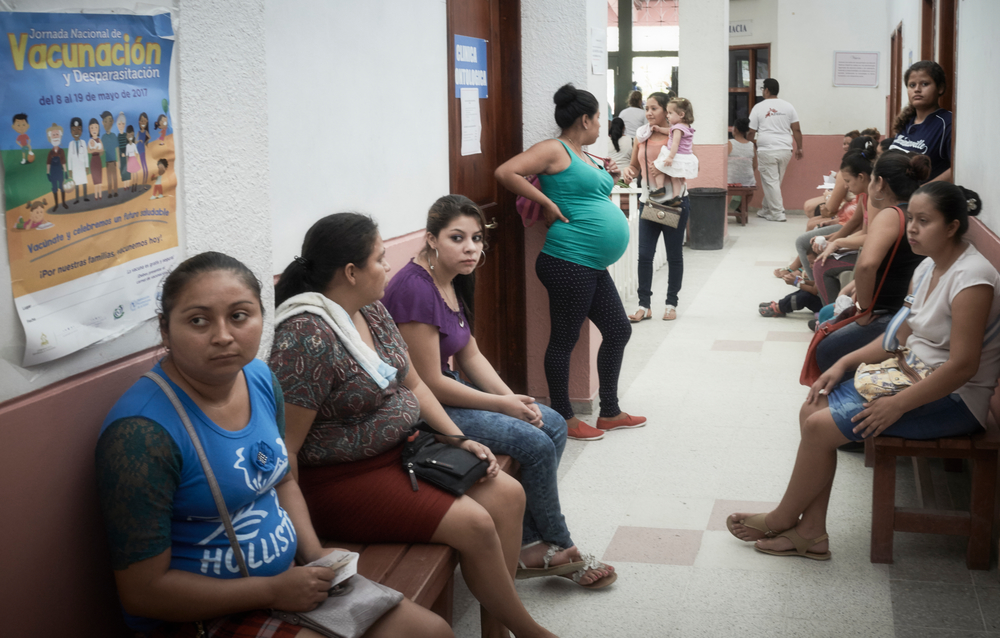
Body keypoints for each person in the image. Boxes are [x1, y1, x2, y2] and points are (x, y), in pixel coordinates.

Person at [95, 252, 451, 638]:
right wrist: (271, 590)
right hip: (201, 616)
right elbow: (143, 594)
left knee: (432, 632)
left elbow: (281, 480)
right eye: (198, 320)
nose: (223, 336)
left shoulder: (259, 378)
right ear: (165, 330)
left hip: (289, 584)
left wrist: (315, 556)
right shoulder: (141, 435)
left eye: (239, 315)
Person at [269, 213, 558, 638]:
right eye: (380, 259)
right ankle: (528, 631)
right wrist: (309, 547)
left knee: (508, 494)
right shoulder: (306, 337)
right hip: (341, 481)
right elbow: (287, 448)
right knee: (476, 524)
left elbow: (417, 384)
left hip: (404, 451)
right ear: (351, 272)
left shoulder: (371, 311)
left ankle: (495, 630)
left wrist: (457, 437)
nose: (389, 266)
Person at [729, 182, 999, 560]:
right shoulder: (926, 268)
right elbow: (897, 334)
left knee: (820, 426)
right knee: (813, 407)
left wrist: (898, 405)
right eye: (912, 220)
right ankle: (810, 532)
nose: (913, 229)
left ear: (953, 226)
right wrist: (842, 364)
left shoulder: (973, 278)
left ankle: (782, 517)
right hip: (909, 375)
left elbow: (963, 366)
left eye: (925, 221)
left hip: (953, 399)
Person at [383, 194, 617, 588]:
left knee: (553, 423)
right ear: (432, 239)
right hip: (422, 407)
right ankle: (558, 545)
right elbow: (430, 383)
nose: (471, 248)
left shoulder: (452, 277)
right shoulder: (414, 289)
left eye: (476, 239)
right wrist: (502, 405)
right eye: (457, 238)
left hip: (448, 391)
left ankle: (526, 542)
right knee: (537, 443)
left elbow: (469, 354)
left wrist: (515, 400)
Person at [495, 84, 643, 441]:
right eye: (600, 120)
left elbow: (587, 192)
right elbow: (506, 172)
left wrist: (614, 177)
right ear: (585, 119)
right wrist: (545, 203)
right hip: (567, 259)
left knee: (619, 330)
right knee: (564, 339)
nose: (603, 127)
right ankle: (563, 415)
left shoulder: (583, 154)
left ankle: (609, 411)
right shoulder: (554, 149)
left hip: (588, 263)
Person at [814, 152, 929, 374]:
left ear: (880, 183)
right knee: (829, 313)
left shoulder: (890, 215)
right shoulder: (914, 213)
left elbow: (867, 266)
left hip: (889, 314)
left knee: (825, 350)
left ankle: (842, 397)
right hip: (904, 308)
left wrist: (864, 311)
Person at [621, 91, 690, 323]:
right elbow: (633, 167)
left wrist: (663, 170)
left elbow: (689, 167)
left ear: (667, 112)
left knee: (673, 256)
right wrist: (627, 175)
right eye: (646, 108)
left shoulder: (677, 137)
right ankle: (644, 305)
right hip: (649, 203)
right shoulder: (641, 136)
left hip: (674, 203)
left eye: (654, 108)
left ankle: (671, 304)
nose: (649, 113)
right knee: (644, 256)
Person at [747, 78, 804, 222]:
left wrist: (748, 145)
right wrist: (800, 148)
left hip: (767, 150)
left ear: (766, 90)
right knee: (774, 181)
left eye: (762, 89)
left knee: (771, 182)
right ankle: (766, 209)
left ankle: (778, 213)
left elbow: (751, 131)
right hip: (785, 149)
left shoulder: (758, 107)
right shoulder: (788, 106)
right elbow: (796, 129)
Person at [889, 60, 952, 182]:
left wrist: (922, 192)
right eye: (912, 85)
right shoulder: (906, 121)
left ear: (940, 88)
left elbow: (955, 168)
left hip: (924, 198)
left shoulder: (947, 123)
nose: (917, 89)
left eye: (924, 84)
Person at [648, 97, 697, 208]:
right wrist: (660, 129)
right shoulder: (687, 127)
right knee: (675, 177)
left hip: (676, 155)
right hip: (685, 156)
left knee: (658, 166)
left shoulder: (678, 128)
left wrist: (670, 157)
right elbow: (669, 132)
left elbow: (675, 143)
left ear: (681, 115)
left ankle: (660, 187)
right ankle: (676, 197)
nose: (667, 115)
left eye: (670, 113)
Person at [66, 117, 90, 204]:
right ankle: (77, 198)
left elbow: (86, 156)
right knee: (76, 183)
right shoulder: (70, 144)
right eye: (73, 129)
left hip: (82, 166)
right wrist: (70, 169)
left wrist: (87, 166)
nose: (76, 132)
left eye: (79, 129)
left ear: (82, 130)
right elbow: (69, 158)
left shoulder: (83, 142)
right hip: (75, 167)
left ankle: (85, 197)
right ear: (71, 131)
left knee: (84, 182)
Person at [728, 117, 756, 188]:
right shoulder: (751, 145)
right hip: (748, 181)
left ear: (735, 129)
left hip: (731, 181)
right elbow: (755, 165)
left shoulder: (729, 143)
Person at [45, 123, 67, 212]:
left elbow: (63, 162)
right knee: (54, 188)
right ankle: (56, 205)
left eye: (57, 134)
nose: (55, 136)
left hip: (60, 172)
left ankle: (64, 203)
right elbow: (48, 164)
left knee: (62, 188)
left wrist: (65, 172)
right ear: (50, 137)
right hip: (53, 173)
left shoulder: (61, 151)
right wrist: (47, 173)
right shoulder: (50, 153)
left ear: (60, 136)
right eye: (53, 135)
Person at [101, 110, 120, 197]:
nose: (107, 123)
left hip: (114, 161)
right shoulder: (103, 137)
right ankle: (109, 193)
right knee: (109, 178)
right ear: (102, 123)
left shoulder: (114, 136)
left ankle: (115, 191)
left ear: (112, 122)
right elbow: (102, 151)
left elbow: (117, 148)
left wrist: (118, 161)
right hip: (107, 162)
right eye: (105, 121)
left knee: (115, 177)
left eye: (109, 121)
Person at [87, 117, 104, 200]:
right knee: (95, 178)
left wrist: (95, 149)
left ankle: (100, 194)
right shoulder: (90, 141)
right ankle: (96, 195)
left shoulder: (99, 139)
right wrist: (94, 149)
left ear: (98, 128)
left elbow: (102, 149)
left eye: (96, 127)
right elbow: (88, 151)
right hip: (93, 160)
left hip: (98, 159)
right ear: (89, 129)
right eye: (92, 127)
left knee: (99, 177)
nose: (94, 129)